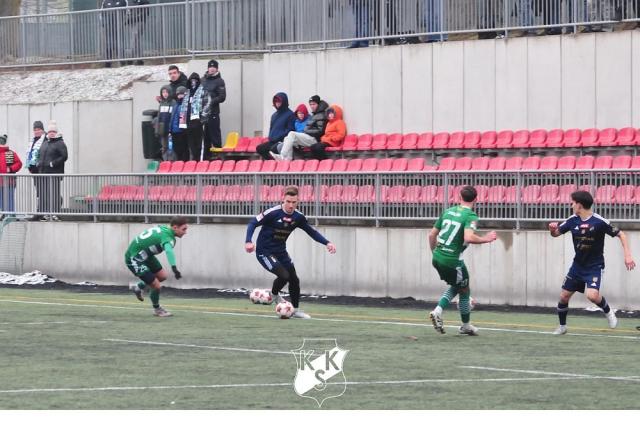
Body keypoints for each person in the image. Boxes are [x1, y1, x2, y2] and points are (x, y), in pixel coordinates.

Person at [548, 190, 636, 335]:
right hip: (577, 266)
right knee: (564, 296)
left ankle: (608, 311)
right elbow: (556, 234)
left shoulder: (599, 222)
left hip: (594, 266)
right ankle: (562, 327)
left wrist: (627, 256)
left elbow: (621, 234)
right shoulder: (572, 220)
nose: (571, 205)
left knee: (592, 296)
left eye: (572, 203)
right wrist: (552, 230)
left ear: (579, 205)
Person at [245, 185, 336, 319]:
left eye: (294, 202)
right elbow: (253, 223)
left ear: (298, 201)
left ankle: (295, 310)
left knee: (294, 279)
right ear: (283, 199)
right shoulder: (273, 213)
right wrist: (248, 241)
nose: (291, 205)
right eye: (288, 201)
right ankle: (274, 295)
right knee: (284, 276)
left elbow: (312, 232)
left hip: (281, 252)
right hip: (264, 252)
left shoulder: (298, 217)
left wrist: (327, 243)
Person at [428, 186, 497, 336]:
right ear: (476, 199)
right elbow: (468, 237)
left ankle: (439, 311)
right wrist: (487, 238)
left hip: (437, 257)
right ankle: (464, 325)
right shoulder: (470, 216)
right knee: (464, 290)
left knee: (458, 286)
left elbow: (431, 235)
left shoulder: (447, 211)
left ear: (459, 197)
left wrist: (435, 253)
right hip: (452, 261)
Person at [126, 216, 188, 317]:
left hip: (145, 254)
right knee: (156, 285)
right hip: (134, 258)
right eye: (184, 229)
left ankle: (138, 287)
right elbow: (168, 251)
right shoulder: (168, 237)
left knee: (162, 276)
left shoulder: (165, 228)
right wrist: (174, 268)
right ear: (175, 228)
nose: (185, 232)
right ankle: (157, 309)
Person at [270, 95, 329, 161]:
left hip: (314, 139)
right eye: (310, 104)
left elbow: (320, 131)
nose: (312, 106)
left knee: (292, 134)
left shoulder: (321, 115)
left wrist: (306, 130)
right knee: (287, 139)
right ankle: (287, 158)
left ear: (318, 104)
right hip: (308, 137)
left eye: (314, 104)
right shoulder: (315, 114)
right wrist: (307, 131)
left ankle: (283, 156)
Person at [36, 120, 68, 222]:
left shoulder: (60, 143)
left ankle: (55, 214)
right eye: (50, 132)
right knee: (44, 194)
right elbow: (40, 155)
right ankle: (46, 214)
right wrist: (38, 163)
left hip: (54, 174)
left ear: (56, 132)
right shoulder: (45, 143)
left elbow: (64, 156)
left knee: (54, 194)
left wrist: (53, 163)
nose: (51, 133)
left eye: (53, 131)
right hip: (43, 174)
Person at [256, 92, 295, 160]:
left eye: (279, 101)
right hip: (272, 141)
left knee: (273, 149)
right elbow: (271, 128)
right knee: (260, 148)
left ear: (284, 101)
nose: (277, 103)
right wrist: (270, 137)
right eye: (276, 101)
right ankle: (271, 162)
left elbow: (290, 130)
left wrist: (278, 137)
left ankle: (277, 162)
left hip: (283, 141)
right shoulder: (274, 115)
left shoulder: (290, 114)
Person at [201, 59, 226, 156]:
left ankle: (218, 157)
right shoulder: (202, 80)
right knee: (205, 136)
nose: (212, 69)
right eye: (210, 67)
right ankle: (206, 157)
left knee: (215, 135)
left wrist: (211, 101)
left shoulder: (220, 81)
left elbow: (222, 97)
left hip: (213, 113)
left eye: (214, 67)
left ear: (217, 69)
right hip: (203, 113)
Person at [182, 72, 205, 161]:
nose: (193, 82)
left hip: (198, 121)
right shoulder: (187, 93)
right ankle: (194, 160)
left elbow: (207, 104)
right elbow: (184, 106)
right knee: (191, 144)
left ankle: (199, 160)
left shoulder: (203, 91)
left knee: (199, 143)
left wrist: (203, 118)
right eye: (192, 80)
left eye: (195, 80)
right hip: (188, 122)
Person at [0, 134, 22, 218]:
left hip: (9, 181)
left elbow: (19, 163)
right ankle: (5, 214)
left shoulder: (11, 153)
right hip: (5, 181)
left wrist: (11, 169)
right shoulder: (11, 153)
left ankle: (11, 215)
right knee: (2, 199)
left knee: (9, 198)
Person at [101, 0, 128, 68]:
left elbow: (127, 12)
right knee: (108, 43)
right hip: (108, 27)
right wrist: (103, 23)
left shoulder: (123, 1)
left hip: (119, 27)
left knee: (119, 43)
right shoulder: (105, 1)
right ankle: (108, 62)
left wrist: (123, 22)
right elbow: (101, 14)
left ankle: (122, 61)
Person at [125, 0, 150, 65]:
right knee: (136, 40)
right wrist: (127, 19)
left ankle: (131, 58)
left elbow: (146, 12)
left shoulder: (144, 1)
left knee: (134, 38)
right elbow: (127, 12)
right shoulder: (129, 1)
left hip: (140, 22)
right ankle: (139, 59)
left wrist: (133, 18)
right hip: (132, 23)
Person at [168, 86, 189, 162]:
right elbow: (172, 118)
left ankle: (184, 163)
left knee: (184, 149)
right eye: (178, 94)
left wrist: (184, 129)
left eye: (181, 94)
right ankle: (179, 163)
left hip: (181, 131)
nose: (180, 96)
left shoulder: (186, 105)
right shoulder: (176, 105)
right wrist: (170, 129)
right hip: (174, 131)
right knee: (177, 149)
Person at [155, 85, 175, 160]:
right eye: (163, 92)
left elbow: (173, 116)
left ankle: (172, 161)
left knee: (171, 147)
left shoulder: (173, 102)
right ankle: (165, 161)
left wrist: (171, 127)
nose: (165, 94)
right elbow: (159, 117)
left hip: (170, 129)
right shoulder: (161, 103)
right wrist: (157, 130)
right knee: (164, 147)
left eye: (166, 92)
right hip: (162, 129)